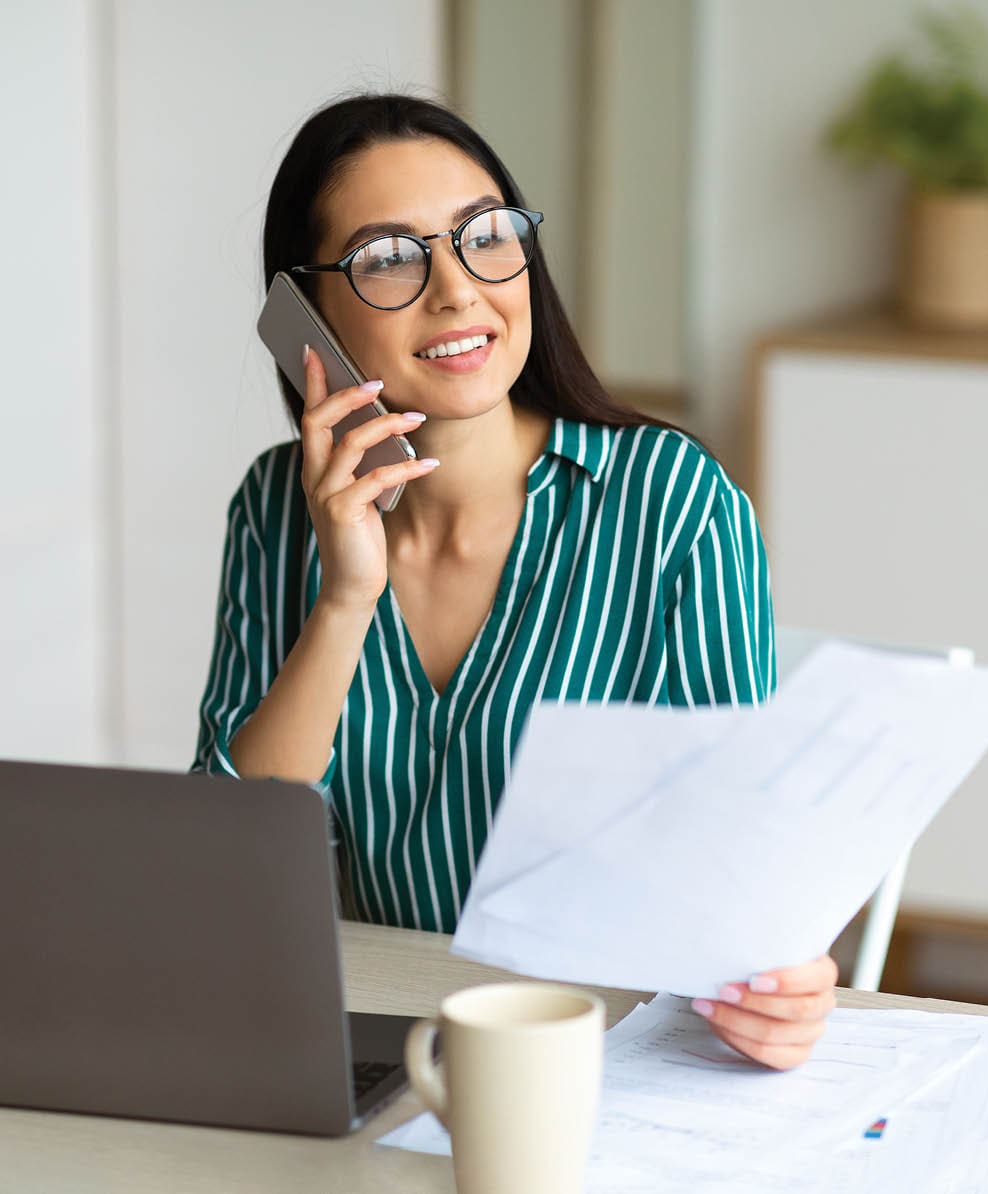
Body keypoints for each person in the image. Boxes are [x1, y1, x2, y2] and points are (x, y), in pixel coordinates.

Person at [191, 92, 836, 1069]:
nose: (457, 291)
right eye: (390, 259)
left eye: (485, 237)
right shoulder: (275, 511)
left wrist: (778, 987)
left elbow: (737, 870)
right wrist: (344, 598)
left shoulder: (673, 505)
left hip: (606, 1060)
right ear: (305, 316)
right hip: (373, 1057)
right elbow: (226, 871)